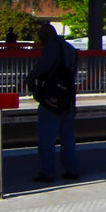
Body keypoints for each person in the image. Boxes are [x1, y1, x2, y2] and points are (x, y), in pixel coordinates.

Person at [26, 23, 80, 183]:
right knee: (67, 136)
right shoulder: (69, 48)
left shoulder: (51, 47)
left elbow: (42, 67)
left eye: (41, 36)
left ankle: (47, 172)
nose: (40, 40)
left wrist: (30, 79)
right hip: (68, 97)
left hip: (52, 98)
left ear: (46, 35)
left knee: (46, 136)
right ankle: (72, 169)